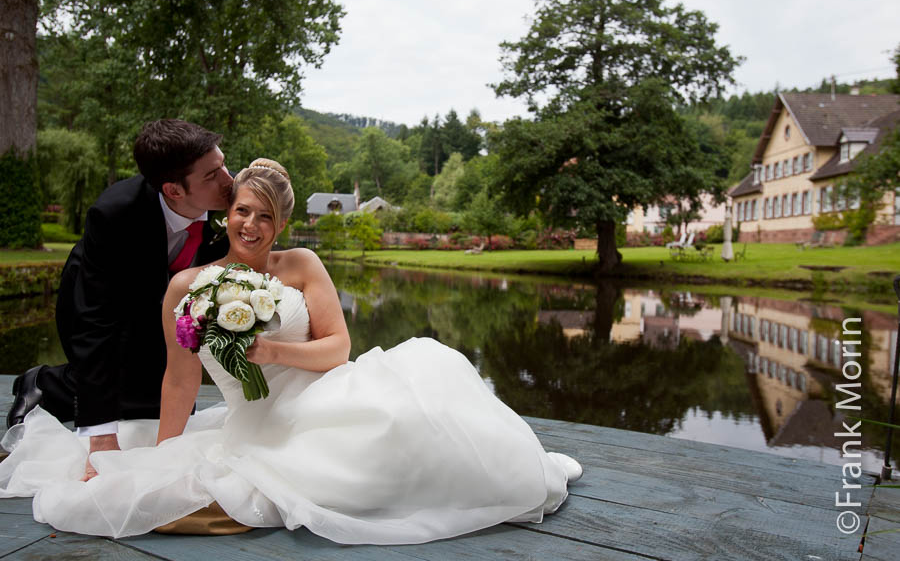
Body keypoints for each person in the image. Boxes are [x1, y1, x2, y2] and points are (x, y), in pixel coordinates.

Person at [0, 159, 582, 544]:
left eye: (264, 217)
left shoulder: (302, 265)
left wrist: (271, 349)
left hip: (327, 391)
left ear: (281, 224)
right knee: (367, 460)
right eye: (240, 211)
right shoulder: (187, 286)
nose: (249, 225)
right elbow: (179, 383)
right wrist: (161, 454)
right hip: (258, 423)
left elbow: (338, 347)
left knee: (412, 405)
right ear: (225, 213)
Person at [5, 119, 233, 481]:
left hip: (164, 303)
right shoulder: (115, 213)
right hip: (103, 299)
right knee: (120, 388)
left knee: (155, 400)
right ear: (174, 190)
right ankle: (45, 384)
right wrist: (101, 442)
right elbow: (95, 326)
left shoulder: (230, 200)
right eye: (212, 175)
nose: (228, 180)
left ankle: (73, 386)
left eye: (224, 164)